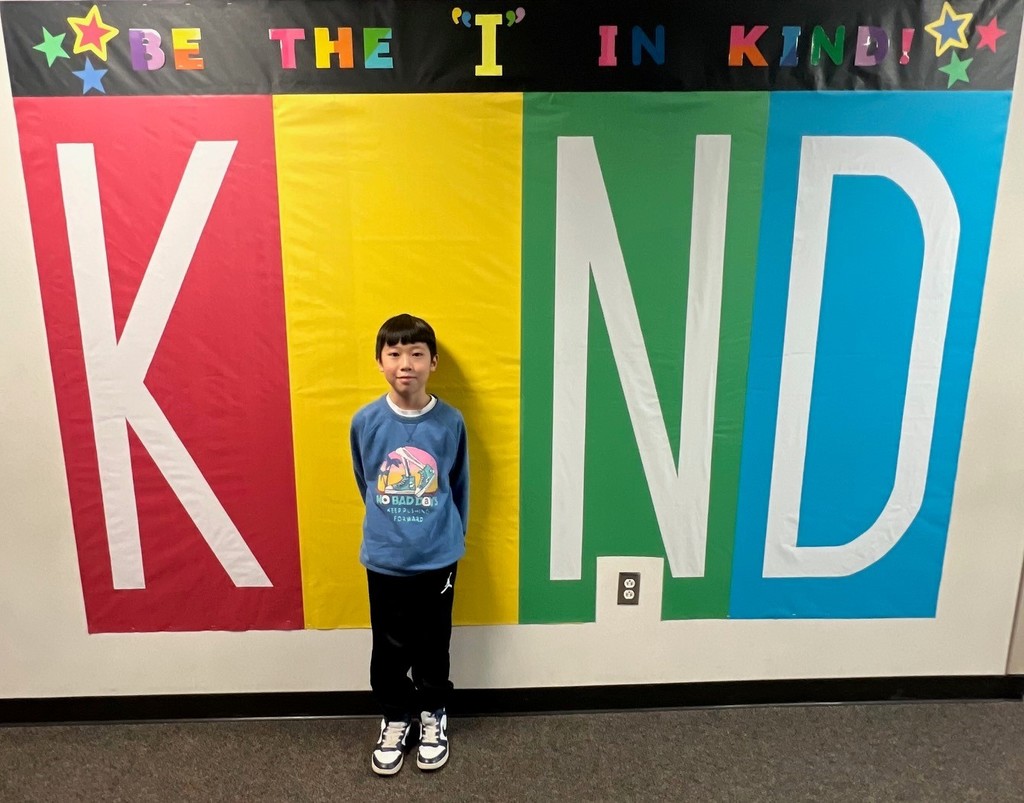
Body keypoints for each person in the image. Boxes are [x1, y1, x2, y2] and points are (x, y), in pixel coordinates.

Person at [349, 313, 469, 775]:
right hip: (385, 557)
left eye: (417, 354)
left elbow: (458, 484)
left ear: (433, 362)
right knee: (390, 645)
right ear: (379, 361)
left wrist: (449, 537)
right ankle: (396, 716)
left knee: (434, 643)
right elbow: (367, 480)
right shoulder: (366, 421)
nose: (406, 364)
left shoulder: (450, 422)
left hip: (438, 556)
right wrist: (391, 525)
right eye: (394, 354)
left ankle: (433, 714)